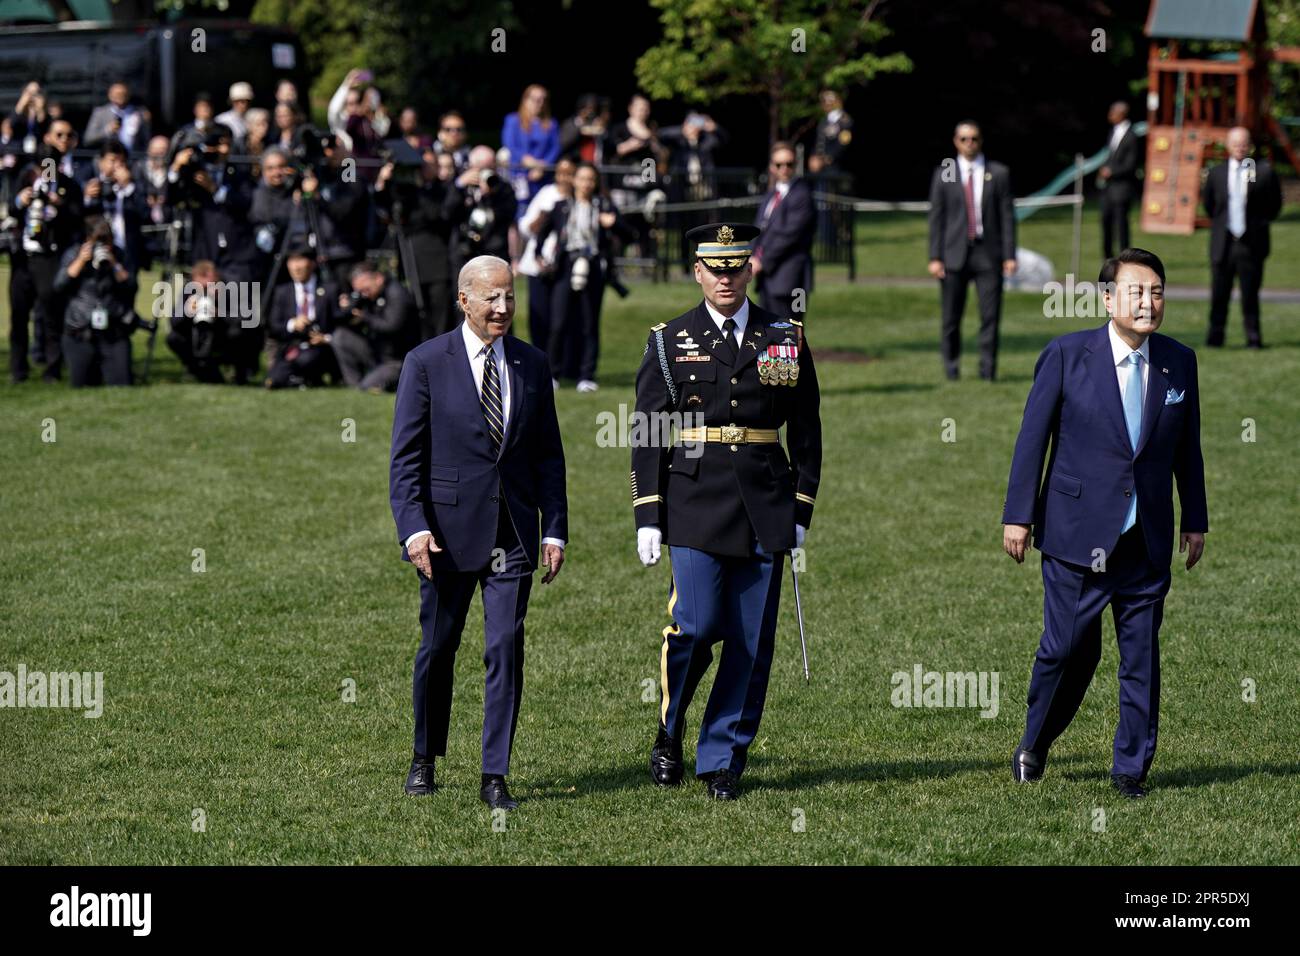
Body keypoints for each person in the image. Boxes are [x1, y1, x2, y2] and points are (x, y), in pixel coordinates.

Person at [1002, 247, 1207, 800]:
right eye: (1137, 291)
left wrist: (1196, 518)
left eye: (1157, 291)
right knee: (1067, 650)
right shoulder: (1068, 355)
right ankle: (1034, 743)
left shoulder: (1178, 362)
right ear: (1108, 298)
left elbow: (1188, 449)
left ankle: (1130, 770)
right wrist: (1018, 516)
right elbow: (1032, 440)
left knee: (1140, 658)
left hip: (1146, 541)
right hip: (1076, 537)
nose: (1149, 301)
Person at [631, 222, 822, 801]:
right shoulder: (670, 339)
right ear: (697, 271)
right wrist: (647, 512)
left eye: (735, 267)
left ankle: (722, 756)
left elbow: (807, 430)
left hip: (764, 499)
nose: (725, 278)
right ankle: (670, 728)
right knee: (697, 623)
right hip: (692, 498)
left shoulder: (783, 336)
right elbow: (647, 432)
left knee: (747, 639)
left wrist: (801, 509)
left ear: (750, 270)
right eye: (714, 268)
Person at [389, 255, 568, 809]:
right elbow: (405, 461)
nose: (503, 308)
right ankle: (424, 756)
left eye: (510, 296)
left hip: (511, 532)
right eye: (491, 297)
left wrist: (555, 529)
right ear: (462, 300)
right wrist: (414, 530)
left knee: (505, 648)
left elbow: (548, 456)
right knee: (438, 649)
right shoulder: (425, 363)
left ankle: (495, 774)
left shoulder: (532, 364)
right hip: (444, 536)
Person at [927, 120, 1017, 381]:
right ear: (956, 141)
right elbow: (936, 218)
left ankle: (988, 371)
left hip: (988, 253)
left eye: (974, 138)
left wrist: (1009, 255)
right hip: (954, 254)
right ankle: (951, 368)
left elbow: (1006, 216)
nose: (970, 143)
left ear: (981, 141)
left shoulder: (998, 173)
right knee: (951, 318)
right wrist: (935, 256)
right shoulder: (944, 172)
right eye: (964, 139)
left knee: (990, 317)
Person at [535, 161, 634, 392]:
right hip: (567, 265)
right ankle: (553, 373)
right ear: (574, 180)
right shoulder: (562, 206)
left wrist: (613, 223)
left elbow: (630, 234)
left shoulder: (604, 206)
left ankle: (587, 375)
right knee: (558, 321)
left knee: (589, 323)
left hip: (593, 266)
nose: (587, 184)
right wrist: (542, 256)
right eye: (582, 178)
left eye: (591, 179)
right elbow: (542, 233)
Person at [8, 118, 84, 383]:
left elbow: (76, 219)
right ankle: (18, 369)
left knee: (51, 312)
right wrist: (22, 200)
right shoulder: (26, 178)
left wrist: (58, 204)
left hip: (49, 256)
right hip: (23, 255)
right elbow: (11, 208)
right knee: (19, 314)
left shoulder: (68, 186)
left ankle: (52, 367)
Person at [1202, 126, 1282, 349]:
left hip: (1251, 244)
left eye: (1243, 143)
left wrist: (1258, 225)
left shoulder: (1263, 171)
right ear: (1228, 145)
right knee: (1219, 294)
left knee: (1250, 295)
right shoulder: (1216, 173)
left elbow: (1274, 204)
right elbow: (1209, 205)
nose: (1240, 147)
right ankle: (1215, 339)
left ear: (1250, 145)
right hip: (1223, 243)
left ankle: (1254, 339)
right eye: (1235, 143)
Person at [375, 146, 463, 340]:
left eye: (430, 165)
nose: (424, 169)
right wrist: (384, 181)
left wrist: (420, 188)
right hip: (411, 260)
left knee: (439, 316)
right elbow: (384, 208)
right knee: (417, 316)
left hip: (437, 263)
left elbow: (437, 215)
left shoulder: (441, 189)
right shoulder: (405, 190)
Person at [54, 216, 139, 387]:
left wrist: (114, 264)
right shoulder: (74, 253)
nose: (103, 246)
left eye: (107, 241)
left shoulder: (120, 255)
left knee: (122, 385)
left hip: (113, 330)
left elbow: (132, 287)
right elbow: (59, 286)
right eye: (98, 241)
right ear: (88, 239)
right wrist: (80, 260)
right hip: (80, 328)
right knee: (82, 385)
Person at [167, 260, 261, 384]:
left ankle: (241, 373)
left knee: (240, 334)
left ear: (217, 279)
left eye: (207, 287)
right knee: (174, 338)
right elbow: (174, 322)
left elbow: (248, 319)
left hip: (226, 335)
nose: (203, 292)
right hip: (199, 334)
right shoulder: (189, 289)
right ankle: (203, 372)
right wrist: (187, 312)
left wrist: (220, 313)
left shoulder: (234, 286)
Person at [331, 261, 418, 392]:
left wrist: (364, 317)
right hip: (377, 352)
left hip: (397, 360)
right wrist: (348, 307)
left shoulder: (397, 294)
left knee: (366, 387)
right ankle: (353, 383)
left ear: (378, 278)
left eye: (365, 290)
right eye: (360, 292)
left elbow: (392, 326)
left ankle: (368, 384)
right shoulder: (372, 296)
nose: (364, 294)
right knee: (340, 337)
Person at [517, 156, 575, 351]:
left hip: (564, 264)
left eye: (569, 174)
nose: (565, 178)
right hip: (539, 263)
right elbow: (525, 225)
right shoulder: (546, 193)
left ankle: (559, 362)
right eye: (561, 173)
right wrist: (538, 222)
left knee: (561, 318)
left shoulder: (577, 199)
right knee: (539, 316)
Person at [264, 243, 340, 389]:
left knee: (306, 359)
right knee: (276, 375)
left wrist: (325, 338)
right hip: (291, 345)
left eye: (300, 261)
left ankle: (298, 379)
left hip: (320, 347)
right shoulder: (282, 291)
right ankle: (297, 380)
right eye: (292, 261)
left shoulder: (328, 289)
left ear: (312, 264)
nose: (296, 267)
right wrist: (293, 324)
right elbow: (273, 324)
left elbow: (339, 321)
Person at [752, 141, 815, 316]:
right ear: (772, 167)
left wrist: (761, 261)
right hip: (769, 279)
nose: (784, 168)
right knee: (769, 334)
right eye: (779, 164)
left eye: (789, 164)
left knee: (794, 333)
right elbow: (760, 230)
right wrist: (751, 257)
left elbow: (789, 236)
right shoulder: (771, 195)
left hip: (794, 280)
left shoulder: (802, 195)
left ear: (795, 165)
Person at [501, 85, 560, 216]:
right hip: (519, 176)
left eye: (544, 100)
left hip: (543, 177)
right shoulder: (513, 120)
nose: (540, 103)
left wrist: (542, 167)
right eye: (536, 99)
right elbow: (510, 144)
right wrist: (526, 160)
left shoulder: (551, 124)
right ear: (525, 100)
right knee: (519, 214)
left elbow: (555, 148)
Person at [1099, 101, 1140, 259]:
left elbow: (1131, 164)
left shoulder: (1132, 136)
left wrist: (1112, 171)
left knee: (1121, 223)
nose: (1110, 115)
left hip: (1122, 188)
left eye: (1113, 112)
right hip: (1108, 189)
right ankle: (1107, 255)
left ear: (1121, 114)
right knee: (1105, 221)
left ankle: (1124, 255)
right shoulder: (1112, 132)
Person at [83, 82, 149, 152]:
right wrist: (107, 130)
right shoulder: (100, 113)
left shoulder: (140, 113)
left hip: (134, 158)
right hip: (109, 158)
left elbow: (146, 139)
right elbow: (88, 139)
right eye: (117, 94)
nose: (121, 97)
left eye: (123, 94)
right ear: (110, 95)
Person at [808, 89, 853, 186]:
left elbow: (843, 143)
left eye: (830, 101)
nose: (826, 104)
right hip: (819, 168)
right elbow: (819, 141)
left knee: (832, 196)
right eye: (824, 101)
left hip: (835, 167)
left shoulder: (845, 121)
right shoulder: (824, 121)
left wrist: (825, 159)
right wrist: (814, 157)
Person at [215, 82, 254, 149]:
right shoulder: (222, 120)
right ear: (232, 101)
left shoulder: (254, 119)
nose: (244, 105)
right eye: (240, 101)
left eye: (247, 101)